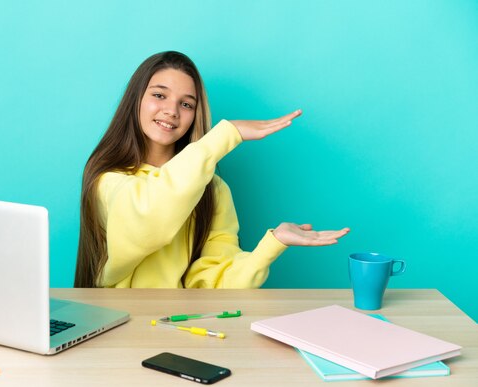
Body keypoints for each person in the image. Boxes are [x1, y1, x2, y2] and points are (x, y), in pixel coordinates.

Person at [74, 51, 349, 288]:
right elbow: (149, 219)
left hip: (178, 325)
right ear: (136, 100)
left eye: (186, 104)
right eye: (159, 95)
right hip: (116, 325)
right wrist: (227, 135)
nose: (172, 111)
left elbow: (214, 281)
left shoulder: (213, 189)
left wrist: (272, 244)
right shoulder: (107, 179)